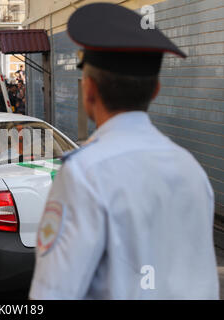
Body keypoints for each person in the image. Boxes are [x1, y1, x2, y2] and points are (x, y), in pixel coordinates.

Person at [29, 3, 219, 300]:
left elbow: (53, 292)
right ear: (155, 91)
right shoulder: (191, 169)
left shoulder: (84, 174)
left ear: (88, 90)